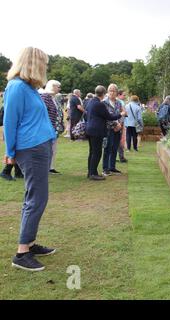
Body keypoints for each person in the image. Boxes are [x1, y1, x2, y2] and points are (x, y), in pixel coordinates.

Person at [3, 47, 57, 272]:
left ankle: (30, 244)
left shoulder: (29, 88)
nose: (45, 67)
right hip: (31, 148)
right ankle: (22, 252)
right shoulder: (16, 87)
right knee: (37, 198)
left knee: (34, 197)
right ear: (34, 64)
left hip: (39, 146)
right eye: (43, 63)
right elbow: (10, 121)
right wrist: (11, 152)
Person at [86, 86, 126, 181]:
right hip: (97, 131)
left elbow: (86, 114)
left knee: (92, 152)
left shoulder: (91, 101)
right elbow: (109, 117)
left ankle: (91, 172)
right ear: (104, 94)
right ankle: (92, 173)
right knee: (97, 152)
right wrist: (121, 114)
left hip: (91, 129)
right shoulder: (100, 104)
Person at [40, 80, 64, 174]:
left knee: (53, 149)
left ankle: (50, 167)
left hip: (54, 128)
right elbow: (44, 113)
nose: (59, 89)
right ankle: (46, 168)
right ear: (52, 86)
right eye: (58, 86)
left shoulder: (54, 97)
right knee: (48, 149)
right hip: (48, 128)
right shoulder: (45, 97)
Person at [102, 84, 123, 176]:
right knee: (107, 148)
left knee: (114, 148)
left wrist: (120, 124)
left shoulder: (119, 103)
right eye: (110, 90)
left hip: (118, 129)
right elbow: (106, 117)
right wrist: (115, 125)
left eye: (114, 90)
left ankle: (112, 167)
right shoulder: (104, 103)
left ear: (117, 92)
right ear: (107, 92)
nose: (112, 92)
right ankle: (105, 168)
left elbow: (122, 114)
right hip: (108, 129)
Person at [117, 90, 128, 163]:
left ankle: (120, 157)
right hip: (119, 123)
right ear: (119, 95)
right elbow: (122, 113)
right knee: (119, 141)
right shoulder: (119, 102)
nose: (125, 96)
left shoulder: (120, 102)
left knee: (119, 141)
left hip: (120, 122)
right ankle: (121, 157)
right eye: (123, 95)